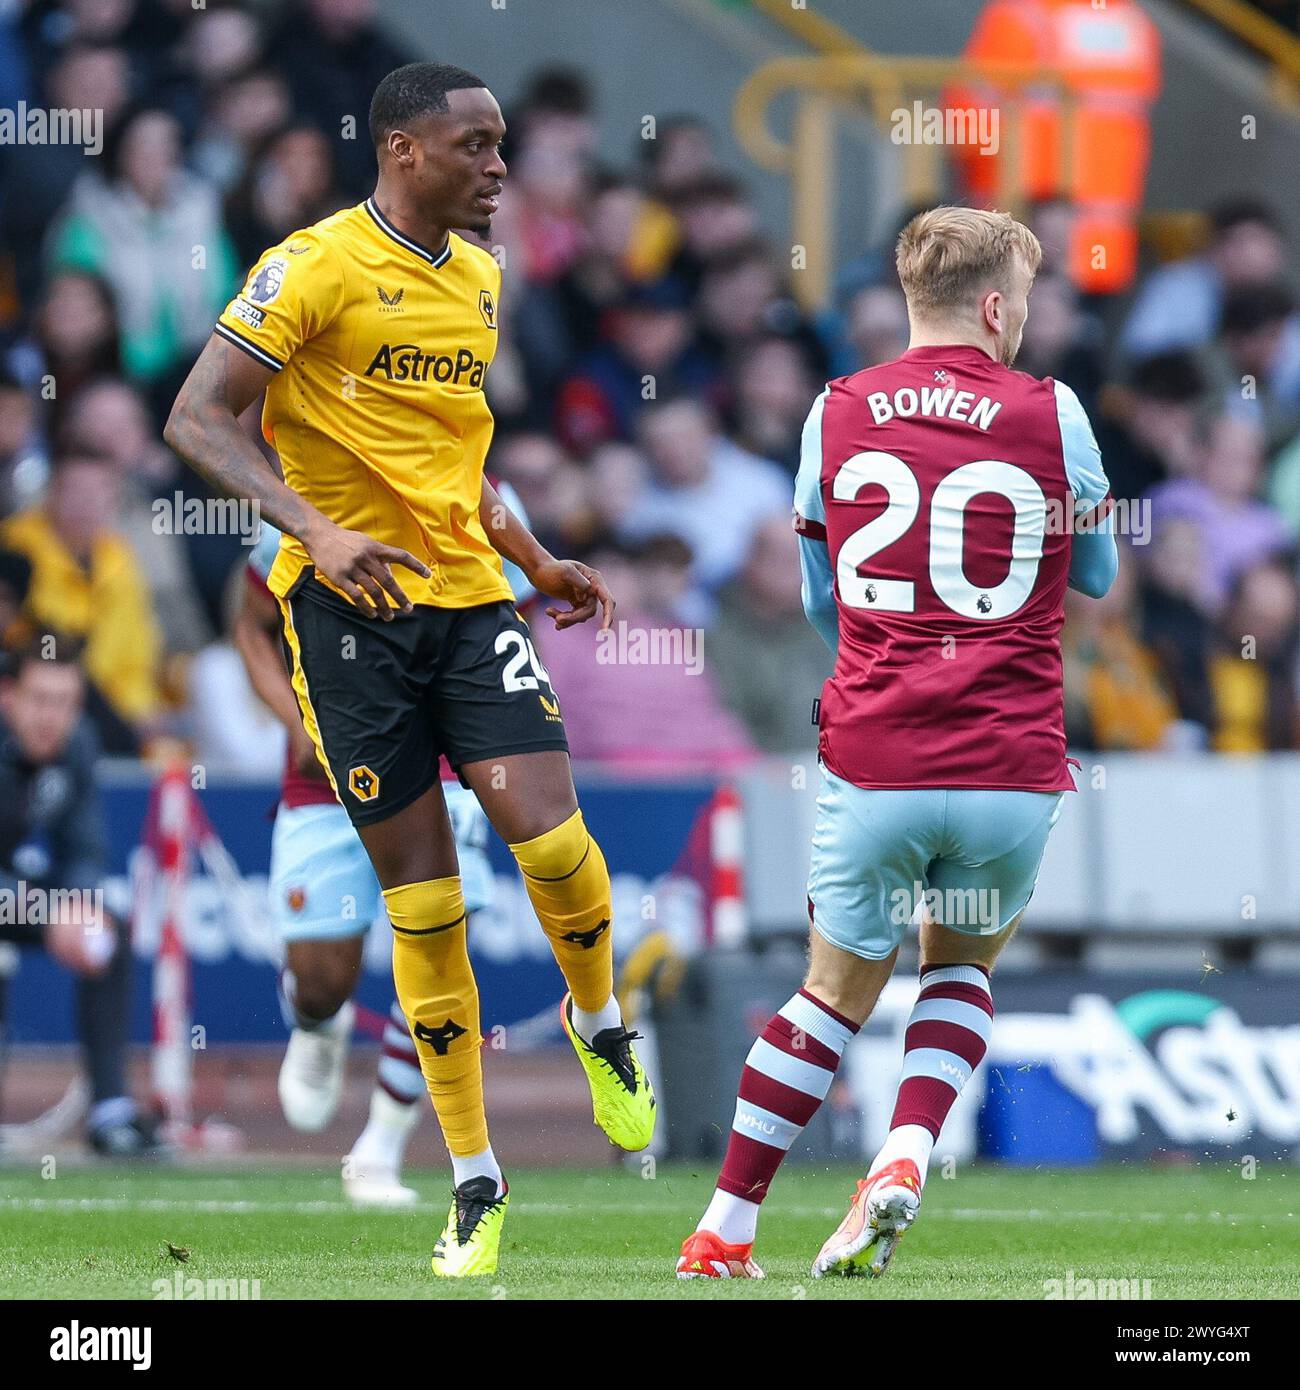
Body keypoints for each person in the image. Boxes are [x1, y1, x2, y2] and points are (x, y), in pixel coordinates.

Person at [164, 63, 655, 1277]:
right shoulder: (313, 265)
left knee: (550, 838)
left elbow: (456, 464)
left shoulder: (481, 280)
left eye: (502, 148)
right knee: (423, 907)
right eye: (477, 147)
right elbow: (197, 416)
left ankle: (601, 1024)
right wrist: (313, 531)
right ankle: (474, 1184)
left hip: (469, 598)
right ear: (402, 151)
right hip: (344, 616)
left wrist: (537, 553)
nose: (499, 169)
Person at [677, 206, 1118, 1281]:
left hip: (875, 750)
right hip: (1011, 764)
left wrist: (887, 644)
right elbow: (1096, 578)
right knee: (956, 964)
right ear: (999, 305)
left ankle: (727, 1230)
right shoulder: (1052, 410)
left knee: (829, 991)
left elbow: (823, 596)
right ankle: (906, 1152)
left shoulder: (833, 411)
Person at [236, 502, 534, 1206]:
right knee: (319, 978)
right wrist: (294, 724)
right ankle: (318, 1019)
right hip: (324, 775)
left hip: (440, 767)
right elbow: (248, 624)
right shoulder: (305, 497)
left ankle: (381, 1146)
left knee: (435, 950)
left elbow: (510, 638)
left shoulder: (490, 502)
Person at [0, 641, 163, 1157]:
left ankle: (109, 1111)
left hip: (19, 894)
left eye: (66, 703)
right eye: (39, 699)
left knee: (103, 931)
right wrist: (48, 912)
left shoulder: (78, 745)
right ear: (9, 697)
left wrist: (77, 903)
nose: (52, 717)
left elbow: (85, 848)